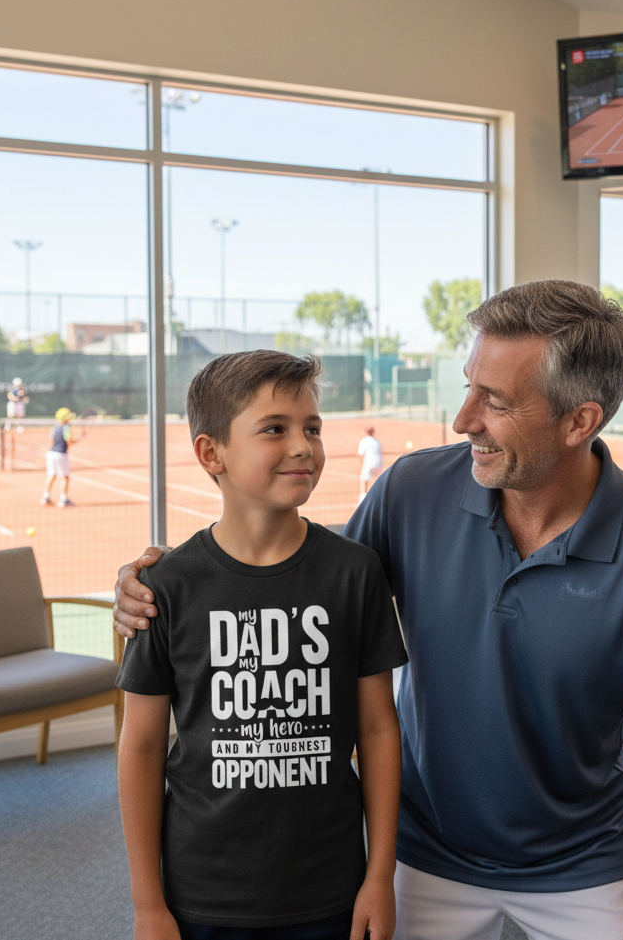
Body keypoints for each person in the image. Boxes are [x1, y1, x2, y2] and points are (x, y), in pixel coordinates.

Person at [114, 282, 623, 940]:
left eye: (494, 401)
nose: (463, 418)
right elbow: (302, 585)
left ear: (579, 421)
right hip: (423, 853)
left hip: (584, 865)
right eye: (469, 386)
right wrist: (153, 584)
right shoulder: (409, 491)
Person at [116, 350, 407, 940]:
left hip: (330, 886)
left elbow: (377, 730)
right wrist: (149, 904)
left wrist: (380, 877)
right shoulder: (164, 587)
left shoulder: (355, 573)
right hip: (203, 891)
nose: (303, 446)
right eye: (275, 428)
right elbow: (143, 747)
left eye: (313, 428)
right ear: (211, 453)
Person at [40, 407, 81, 508]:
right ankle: (63, 499)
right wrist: (79, 439)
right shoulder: (67, 428)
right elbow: (69, 442)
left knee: (51, 475)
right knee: (65, 477)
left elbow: (52, 438)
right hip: (61, 454)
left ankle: (46, 497)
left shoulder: (54, 428)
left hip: (51, 453)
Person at [357, 424, 383, 501]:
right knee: (376, 482)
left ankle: (362, 501)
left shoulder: (364, 441)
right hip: (378, 463)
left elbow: (361, 455)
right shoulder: (377, 441)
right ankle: (377, 499)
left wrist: (362, 466)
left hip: (369, 464)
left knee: (364, 481)